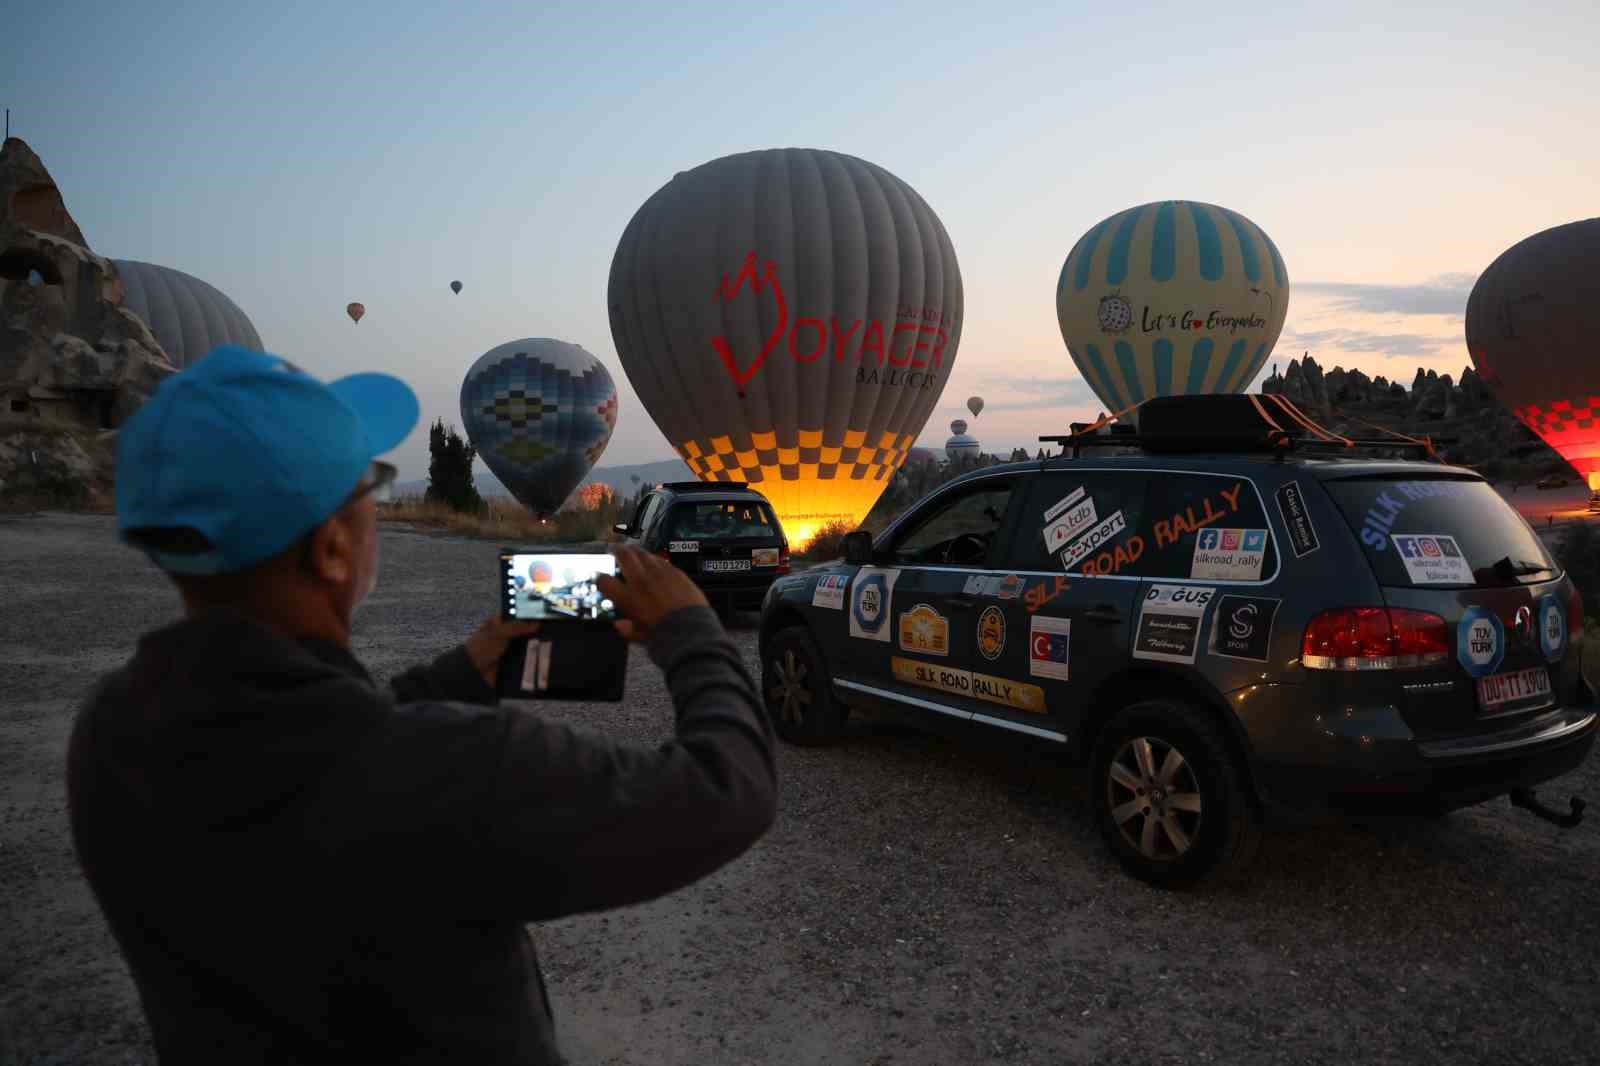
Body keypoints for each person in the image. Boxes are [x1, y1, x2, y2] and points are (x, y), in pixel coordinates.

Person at [66, 346, 777, 1065]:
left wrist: (465, 672)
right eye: (368, 490)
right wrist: (690, 633)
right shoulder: (454, 766)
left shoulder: (113, 727)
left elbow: (320, 747)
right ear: (333, 548)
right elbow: (727, 792)